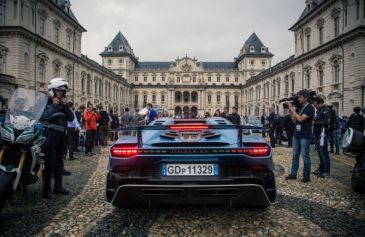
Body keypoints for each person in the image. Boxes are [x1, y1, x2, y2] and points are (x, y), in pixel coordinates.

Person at [41, 77, 74, 199]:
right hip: (51, 135)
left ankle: (58, 186)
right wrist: (54, 106)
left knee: (60, 162)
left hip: (62, 136)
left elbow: (71, 118)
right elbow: (44, 117)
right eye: (58, 91)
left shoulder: (63, 104)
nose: (61, 93)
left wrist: (65, 106)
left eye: (62, 91)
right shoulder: (46, 101)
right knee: (50, 162)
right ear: (53, 90)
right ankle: (47, 189)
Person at [285, 89, 315, 183]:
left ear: (305, 98)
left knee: (305, 155)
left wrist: (293, 110)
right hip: (296, 134)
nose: (298, 99)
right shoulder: (299, 108)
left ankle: (306, 176)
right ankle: (293, 174)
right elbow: (295, 121)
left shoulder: (310, 108)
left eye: (300, 97)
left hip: (305, 135)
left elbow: (301, 119)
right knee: (295, 155)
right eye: (298, 97)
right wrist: (291, 111)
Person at [312, 97, 331, 178]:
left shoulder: (326, 110)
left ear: (319, 103)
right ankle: (321, 169)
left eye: (315, 105)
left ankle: (326, 171)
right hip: (317, 134)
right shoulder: (320, 110)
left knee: (324, 153)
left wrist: (315, 123)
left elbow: (326, 122)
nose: (315, 106)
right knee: (320, 153)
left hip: (323, 135)